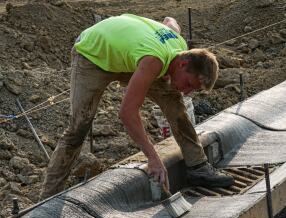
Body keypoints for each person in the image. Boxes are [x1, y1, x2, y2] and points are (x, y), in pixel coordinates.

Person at [40, 14, 234, 200]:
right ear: (182, 64)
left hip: (130, 56)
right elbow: (126, 113)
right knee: (79, 127)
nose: (187, 91)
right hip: (92, 54)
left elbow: (170, 22)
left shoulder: (178, 44)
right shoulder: (153, 60)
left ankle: (198, 167)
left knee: (176, 106)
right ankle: (48, 196)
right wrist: (153, 158)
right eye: (189, 84)